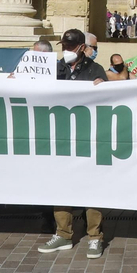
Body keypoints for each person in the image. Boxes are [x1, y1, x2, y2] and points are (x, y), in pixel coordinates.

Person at [41, 29, 109, 259]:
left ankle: (94, 237)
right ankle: (63, 234)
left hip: (87, 138)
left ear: (81, 47)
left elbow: (107, 100)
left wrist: (104, 85)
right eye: (64, 46)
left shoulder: (95, 70)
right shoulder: (53, 69)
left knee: (92, 187)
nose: (66, 51)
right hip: (58, 137)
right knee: (60, 186)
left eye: (71, 47)